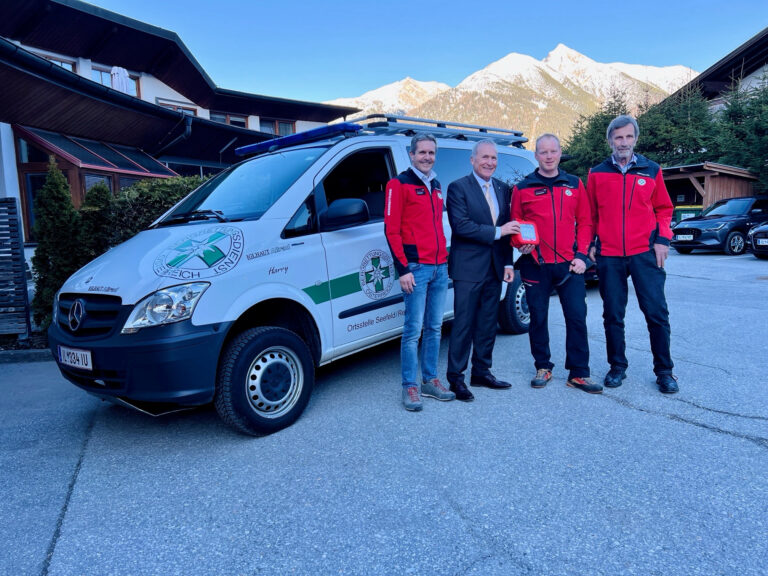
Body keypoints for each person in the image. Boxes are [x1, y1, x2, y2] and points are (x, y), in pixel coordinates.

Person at [587, 115, 679, 394]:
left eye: (628, 136)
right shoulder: (597, 173)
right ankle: (617, 367)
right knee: (613, 314)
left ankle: (664, 371)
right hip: (610, 254)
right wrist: (591, 243)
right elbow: (590, 215)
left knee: (656, 313)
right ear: (610, 141)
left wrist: (662, 240)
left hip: (645, 253)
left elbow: (664, 209)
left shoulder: (651, 170)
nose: (623, 142)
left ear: (635, 139)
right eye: (618, 137)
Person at [511, 134, 601, 394]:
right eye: (543, 152)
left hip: (570, 265)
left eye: (553, 151)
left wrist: (582, 256)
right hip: (535, 264)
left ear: (560, 153)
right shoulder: (522, 188)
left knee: (577, 317)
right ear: (536, 155)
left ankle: (579, 373)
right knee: (538, 318)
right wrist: (519, 244)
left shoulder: (574, 184)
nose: (549, 156)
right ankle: (543, 366)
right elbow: (515, 225)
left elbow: (586, 222)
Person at [385, 133, 455, 411]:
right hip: (416, 268)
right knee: (413, 331)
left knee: (435, 328)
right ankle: (409, 386)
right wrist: (402, 269)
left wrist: (445, 260)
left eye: (431, 153)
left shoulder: (436, 185)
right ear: (412, 155)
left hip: (439, 267)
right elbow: (391, 230)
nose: (427, 157)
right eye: (422, 152)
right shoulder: (399, 184)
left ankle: (430, 380)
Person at [445, 139, 520, 401]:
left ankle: (481, 371)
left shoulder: (502, 188)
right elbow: (461, 226)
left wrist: (508, 262)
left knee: (488, 323)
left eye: (493, 158)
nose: (489, 162)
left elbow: (509, 228)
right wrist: (498, 231)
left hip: (495, 267)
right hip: (468, 269)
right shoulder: (458, 187)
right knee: (463, 325)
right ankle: (456, 379)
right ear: (473, 160)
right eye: (484, 157)